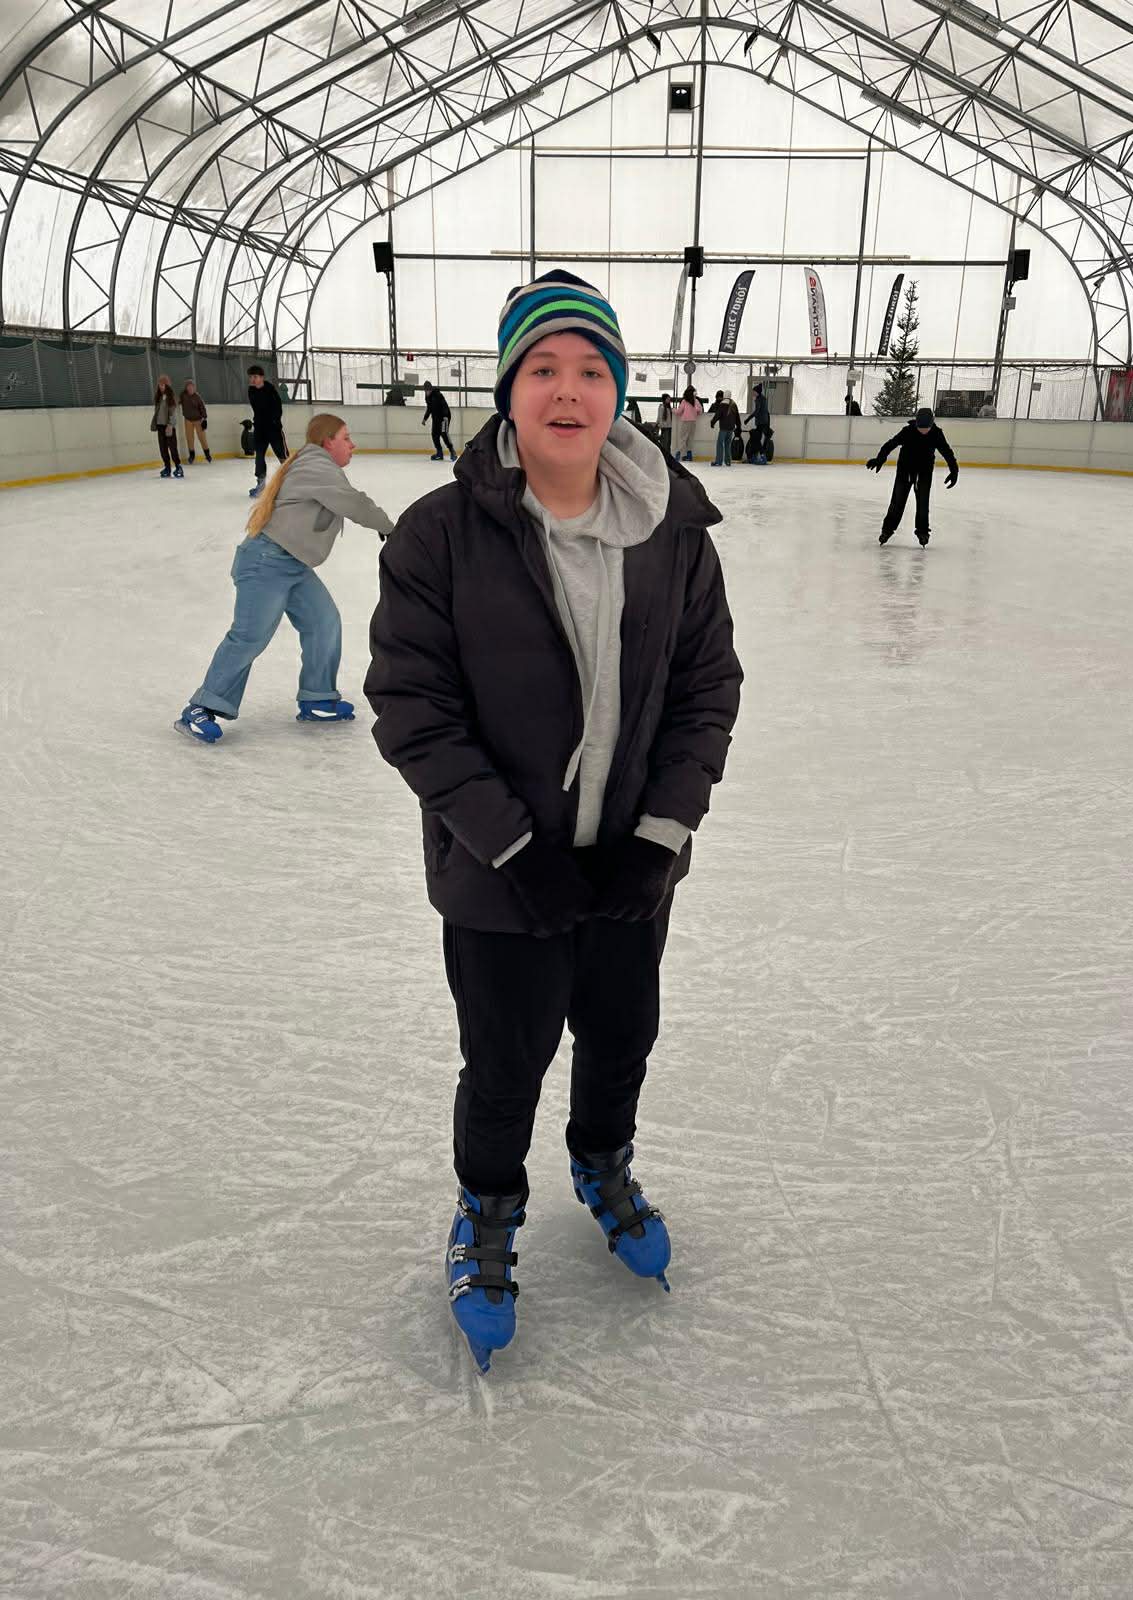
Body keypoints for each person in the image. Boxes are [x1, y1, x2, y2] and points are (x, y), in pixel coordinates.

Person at [364, 268, 743, 1375]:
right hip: (501, 878)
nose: (567, 390)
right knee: (505, 1061)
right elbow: (414, 708)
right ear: (508, 389)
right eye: (542, 368)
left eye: (590, 369)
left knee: (622, 1036)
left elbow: (706, 691)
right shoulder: (440, 536)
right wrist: (515, 848)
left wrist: (659, 837)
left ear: (619, 391)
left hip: (631, 869)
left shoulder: (675, 534)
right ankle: (487, 1207)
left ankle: (602, 1161)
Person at [175, 414, 394, 744]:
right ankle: (200, 708)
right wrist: (391, 527)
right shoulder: (316, 465)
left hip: (292, 564)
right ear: (327, 442)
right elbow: (353, 502)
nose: (353, 445)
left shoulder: (317, 465)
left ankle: (317, 697)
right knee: (250, 636)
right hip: (267, 562)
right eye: (346, 438)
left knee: (323, 622)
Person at [866, 404, 959, 547]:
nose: (923, 431)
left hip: (924, 473)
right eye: (920, 428)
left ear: (932, 424)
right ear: (916, 423)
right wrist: (880, 459)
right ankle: (887, 530)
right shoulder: (908, 431)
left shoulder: (936, 433)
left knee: (923, 503)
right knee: (897, 502)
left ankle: (923, 532)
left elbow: (947, 452)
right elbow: (890, 444)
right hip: (905, 471)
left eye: (926, 428)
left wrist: (954, 470)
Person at [247, 365, 287, 498]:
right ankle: (261, 485)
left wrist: (274, 422)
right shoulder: (251, 391)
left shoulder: (271, 390)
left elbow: (278, 409)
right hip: (260, 429)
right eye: (250, 377)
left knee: (282, 456)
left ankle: (292, 482)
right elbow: (258, 409)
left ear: (262, 378)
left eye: (255, 377)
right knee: (259, 456)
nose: (252, 379)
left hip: (273, 429)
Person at [151, 375, 183, 480]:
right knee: (163, 449)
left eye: (163, 384)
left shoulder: (171, 397)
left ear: (167, 385)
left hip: (168, 426)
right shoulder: (159, 397)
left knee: (172, 448)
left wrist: (170, 425)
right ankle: (167, 467)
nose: (161, 386)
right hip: (160, 426)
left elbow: (172, 413)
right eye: (160, 384)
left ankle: (178, 467)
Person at [422, 380, 457, 461]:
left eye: (429, 390)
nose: (428, 392)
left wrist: (445, 416)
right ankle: (439, 453)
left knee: (444, 433)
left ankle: (452, 451)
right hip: (436, 418)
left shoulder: (438, 395)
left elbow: (444, 405)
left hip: (444, 417)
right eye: (426, 391)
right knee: (434, 434)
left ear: (431, 389)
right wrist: (425, 418)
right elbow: (429, 408)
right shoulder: (427, 397)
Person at [180, 380, 212, 464]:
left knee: (202, 438)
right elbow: (177, 401)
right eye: (188, 386)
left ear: (194, 388)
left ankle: (207, 454)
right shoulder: (183, 395)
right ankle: (192, 455)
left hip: (198, 420)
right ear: (186, 388)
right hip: (188, 420)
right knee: (189, 438)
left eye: (192, 386)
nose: (190, 388)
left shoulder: (197, 397)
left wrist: (204, 419)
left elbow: (202, 408)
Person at [673, 385, 702, 462]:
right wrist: (695, 411)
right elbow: (700, 411)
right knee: (690, 439)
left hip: (685, 421)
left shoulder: (684, 401)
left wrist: (673, 410)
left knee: (683, 439)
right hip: (693, 422)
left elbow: (679, 412)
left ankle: (678, 455)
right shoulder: (696, 401)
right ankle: (689, 456)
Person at [744, 382, 771, 464]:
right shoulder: (762, 398)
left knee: (756, 440)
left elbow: (757, 411)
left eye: (754, 391)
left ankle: (762, 457)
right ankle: (754, 457)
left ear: (757, 392)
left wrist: (748, 419)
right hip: (763, 422)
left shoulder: (759, 399)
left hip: (761, 422)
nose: (753, 393)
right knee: (756, 439)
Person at [711, 393, 740, 468]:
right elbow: (737, 417)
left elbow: (717, 415)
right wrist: (739, 426)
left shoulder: (722, 404)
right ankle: (728, 461)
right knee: (728, 444)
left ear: (724, 396)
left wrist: (712, 422)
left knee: (720, 444)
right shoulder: (734, 404)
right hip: (731, 428)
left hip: (723, 428)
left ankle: (718, 461)